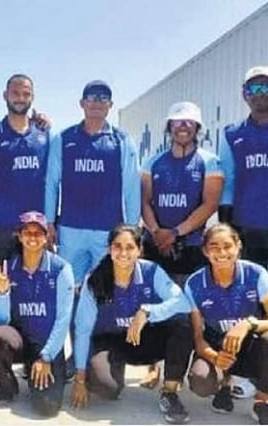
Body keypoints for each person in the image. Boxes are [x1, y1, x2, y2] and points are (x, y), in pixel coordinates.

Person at [46, 80, 141, 378]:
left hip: (107, 232)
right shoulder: (64, 139)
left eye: (103, 98)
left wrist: (131, 229)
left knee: (104, 294)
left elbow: (132, 187)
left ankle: (105, 357)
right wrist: (49, 221)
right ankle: (74, 356)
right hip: (71, 230)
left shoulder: (122, 141)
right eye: (92, 98)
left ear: (110, 105)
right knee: (71, 296)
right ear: (82, 103)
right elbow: (52, 182)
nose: (97, 103)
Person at [70, 225, 192, 425]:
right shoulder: (95, 280)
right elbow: (82, 329)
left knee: (182, 325)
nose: (123, 253)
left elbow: (183, 303)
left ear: (139, 250)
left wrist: (147, 312)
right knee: (106, 389)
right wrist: (80, 379)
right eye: (117, 246)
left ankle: (170, 393)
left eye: (130, 247)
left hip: (144, 338)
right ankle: (112, 371)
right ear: (109, 249)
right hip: (111, 342)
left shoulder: (152, 272)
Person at [140, 101, 223, 388]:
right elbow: (145, 202)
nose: (183, 126)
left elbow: (209, 204)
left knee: (189, 310)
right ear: (169, 127)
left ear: (198, 127)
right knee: (154, 303)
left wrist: (175, 232)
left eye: (189, 122)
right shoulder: (153, 162)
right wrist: (156, 232)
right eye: (177, 122)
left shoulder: (209, 162)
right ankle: (153, 366)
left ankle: (187, 366)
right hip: (157, 244)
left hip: (191, 246)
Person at [0, 211, 74, 416]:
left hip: (47, 345)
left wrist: (46, 357)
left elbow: (63, 319)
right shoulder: (9, 268)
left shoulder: (61, 269)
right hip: (20, 341)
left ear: (46, 237)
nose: (33, 237)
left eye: (38, 233)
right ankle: (8, 382)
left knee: (47, 408)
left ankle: (38, 368)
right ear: (19, 236)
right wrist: (1, 293)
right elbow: (1, 321)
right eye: (27, 232)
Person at [184, 223, 268, 423]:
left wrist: (249, 324)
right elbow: (198, 338)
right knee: (201, 382)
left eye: (227, 246)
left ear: (238, 246)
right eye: (214, 247)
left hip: (251, 344)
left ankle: (262, 401)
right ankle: (224, 386)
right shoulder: (194, 284)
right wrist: (215, 358)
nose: (222, 253)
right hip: (217, 345)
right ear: (205, 251)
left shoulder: (256, 274)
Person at [0, 74, 55, 283]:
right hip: (4, 226)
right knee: (1, 287)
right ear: (5, 96)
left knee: (38, 287)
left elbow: (54, 181)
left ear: (32, 97)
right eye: (15, 93)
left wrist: (51, 222)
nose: (20, 98)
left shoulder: (45, 134)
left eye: (26, 94)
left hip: (37, 227)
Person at [218, 65, 268, 400]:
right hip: (247, 230)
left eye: (265, 87)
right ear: (244, 95)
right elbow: (228, 183)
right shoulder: (233, 134)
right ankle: (248, 374)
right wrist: (228, 227)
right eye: (253, 89)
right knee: (251, 304)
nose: (260, 94)